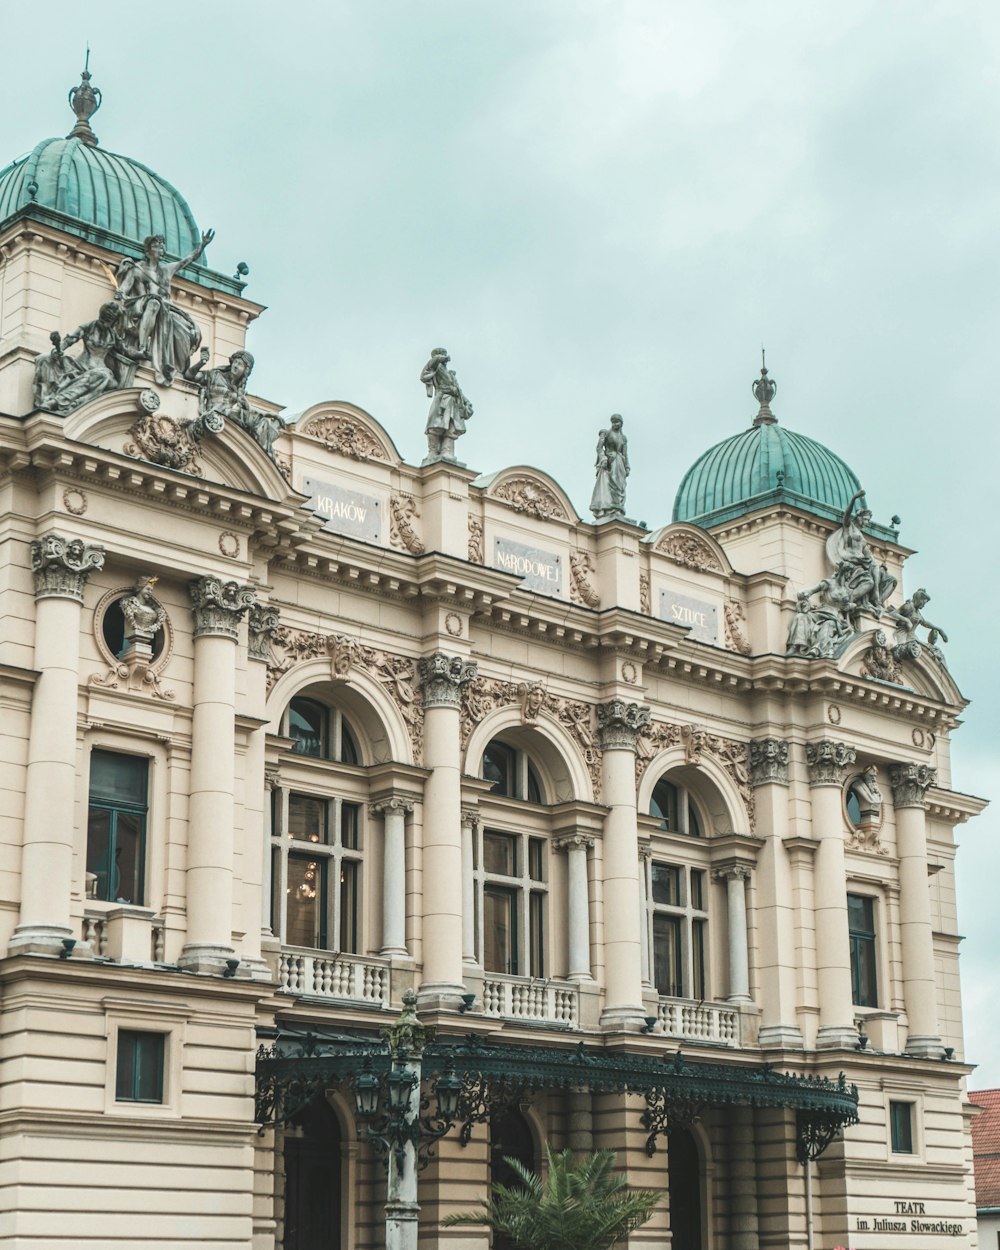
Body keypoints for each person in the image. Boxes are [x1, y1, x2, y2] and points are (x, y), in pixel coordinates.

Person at [116, 230, 214, 385]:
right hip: (144, 306)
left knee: (186, 333)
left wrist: (202, 246)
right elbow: (123, 289)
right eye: (157, 246)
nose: (161, 249)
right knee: (154, 302)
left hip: (168, 311)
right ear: (148, 251)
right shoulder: (137, 270)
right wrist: (120, 294)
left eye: (162, 247)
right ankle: (142, 348)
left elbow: (187, 261)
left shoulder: (167, 270)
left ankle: (178, 367)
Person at [421, 347, 473, 461]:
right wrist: (439, 358)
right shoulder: (436, 367)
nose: (444, 358)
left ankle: (447, 451)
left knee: (451, 428)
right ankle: (433, 452)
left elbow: (457, 390)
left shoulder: (450, 375)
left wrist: (466, 401)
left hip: (454, 401)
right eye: (441, 355)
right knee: (434, 426)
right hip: (441, 399)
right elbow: (426, 372)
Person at [590, 414, 630, 519]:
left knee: (620, 486)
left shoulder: (623, 438)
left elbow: (625, 454)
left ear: (621, 423)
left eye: (617, 422)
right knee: (610, 484)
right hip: (610, 463)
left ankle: (618, 508)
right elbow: (599, 448)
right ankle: (610, 508)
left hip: (619, 463)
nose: (615, 424)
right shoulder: (606, 434)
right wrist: (603, 458)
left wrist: (627, 467)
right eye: (613, 422)